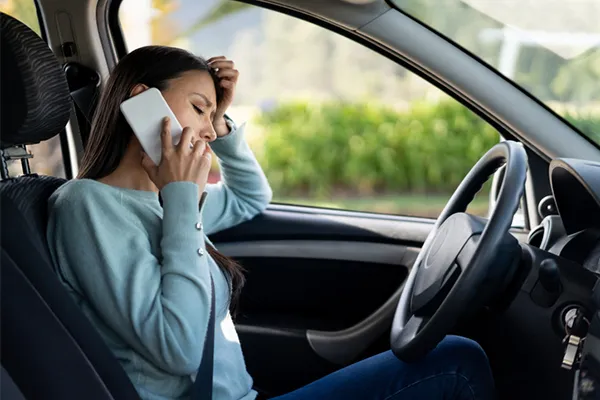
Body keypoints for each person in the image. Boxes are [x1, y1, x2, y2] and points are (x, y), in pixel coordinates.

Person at [46, 46, 495, 400]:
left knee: (456, 355)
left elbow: (249, 198)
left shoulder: (167, 201)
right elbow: (179, 349)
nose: (206, 129)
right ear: (142, 101)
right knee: (456, 362)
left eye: (211, 114)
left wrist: (221, 125)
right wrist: (182, 198)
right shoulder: (89, 205)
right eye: (199, 108)